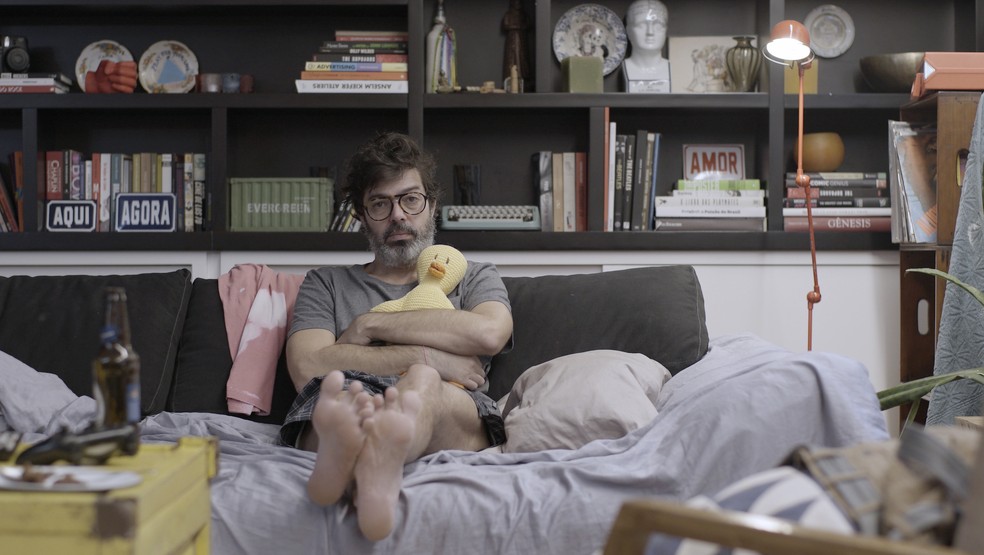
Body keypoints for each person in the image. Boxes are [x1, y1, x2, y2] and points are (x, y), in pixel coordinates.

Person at [279, 132, 514, 541]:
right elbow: (307, 366)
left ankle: (348, 463)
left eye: (410, 200)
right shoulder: (325, 283)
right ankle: (365, 461)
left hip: (448, 404)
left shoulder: (473, 274)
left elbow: (489, 333)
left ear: (431, 206)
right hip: (354, 393)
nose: (398, 216)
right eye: (380, 204)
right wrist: (429, 356)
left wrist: (370, 326)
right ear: (362, 215)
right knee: (343, 398)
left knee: (422, 384)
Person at [622, 0, 670, 93]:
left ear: (665, 30)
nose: (650, 32)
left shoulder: (670, 68)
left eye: (658, 25)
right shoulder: (626, 67)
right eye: (641, 25)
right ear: (628, 31)